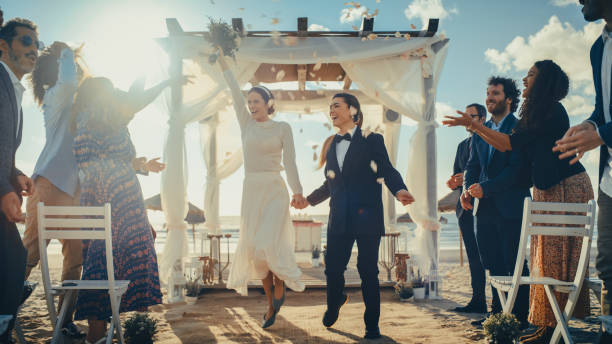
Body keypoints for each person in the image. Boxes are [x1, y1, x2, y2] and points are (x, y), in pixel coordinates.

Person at [445, 61, 594, 343]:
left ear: (545, 81)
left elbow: (508, 146)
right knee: (545, 260)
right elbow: (506, 146)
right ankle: (546, 326)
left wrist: (472, 125)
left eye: (532, 74)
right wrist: (475, 127)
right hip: (548, 189)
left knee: (556, 260)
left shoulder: (550, 110)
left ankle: (550, 328)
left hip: (566, 186)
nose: (525, 78)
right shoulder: (535, 111)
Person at [69, 76, 185, 343]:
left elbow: (106, 160)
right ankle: (101, 333)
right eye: (110, 91)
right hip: (117, 199)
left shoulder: (92, 121)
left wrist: (142, 165)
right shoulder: (100, 119)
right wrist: (165, 82)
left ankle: (99, 333)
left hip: (107, 198)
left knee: (105, 262)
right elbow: (96, 165)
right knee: (112, 258)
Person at [295, 93, 414, 339]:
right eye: (330, 107)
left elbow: (387, 170)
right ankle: (335, 300)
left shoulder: (373, 140)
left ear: (353, 110)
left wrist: (399, 189)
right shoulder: (332, 146)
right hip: (339, 217)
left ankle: (372, 325)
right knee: (333, 269)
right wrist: (308, 200)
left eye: (336, 106)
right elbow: (330, 184)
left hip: (368, 216)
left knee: (368, 269)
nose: (332, 110)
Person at [217, 53, 306, 329]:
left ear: (269, 103)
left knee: (268, 241)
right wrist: (225, 67)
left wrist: (298, 191)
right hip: (251, 190)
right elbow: (234, 91)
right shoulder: (246, 124)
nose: (251, 105)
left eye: (257, 101)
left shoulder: (283, 127)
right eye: (249, 102)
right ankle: (270, 304)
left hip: (275, 189)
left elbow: (289, 162)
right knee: (255, 252)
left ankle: (280, 280)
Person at [453, 77, 531, 328]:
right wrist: (466, 190)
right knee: (493, 262)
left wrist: (484, 188)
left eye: (495, 93)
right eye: (488, 93)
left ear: (509, 98)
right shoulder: (479, 132)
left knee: (514, 262)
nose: (490, 97)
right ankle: (497, 314)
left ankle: (519, 316)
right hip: (483, 209)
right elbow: (472, 166)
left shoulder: (519, 129)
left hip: (511, 206)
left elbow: (517, 172)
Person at [20, 41, 86, 338]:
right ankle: (4, 313)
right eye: (72, 67)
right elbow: (71, 79)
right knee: (29, 255)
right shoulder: (56, 95)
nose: (79, 73)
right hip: (47, 185)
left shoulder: (79, 108)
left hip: (73, 191)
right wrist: (66, 51)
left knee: (75, 260)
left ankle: (64, 322)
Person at [0, 18, 38, 344]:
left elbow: (3, 149)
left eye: (36, 44)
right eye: (26, 42)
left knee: (13, 257)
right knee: (12, 257)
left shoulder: (14, 90)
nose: (34, 50)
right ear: (3, 45)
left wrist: (16, 175)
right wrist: (3, 190)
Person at [446, 103, 488, 314]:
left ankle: (503, 305)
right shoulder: (462, 146)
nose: (466, 120)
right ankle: (478, 300)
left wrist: (469, 179)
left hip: (487, 207)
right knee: (473, 257)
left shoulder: (490, 139)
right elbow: (456, 173)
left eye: (470, 116)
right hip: (465, 209)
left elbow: (492, 172)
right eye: (465, 116)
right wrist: (454, 181)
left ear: (482, 118)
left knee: (491, 256)